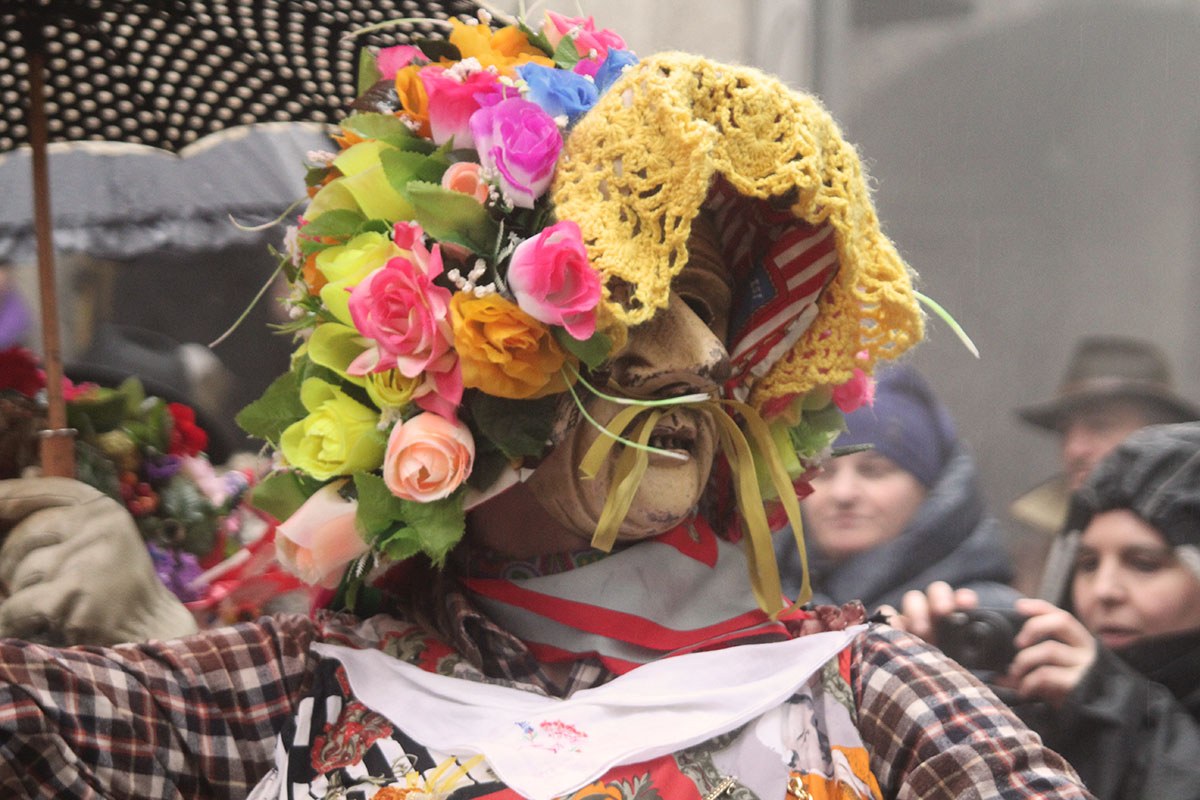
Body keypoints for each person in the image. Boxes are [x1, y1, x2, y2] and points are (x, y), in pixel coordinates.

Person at [0, 10, 1091, 800]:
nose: (705, 354)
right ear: (456, 375)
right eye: (634, 294)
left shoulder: (858, 690)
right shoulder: (301, 686)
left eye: (707, 303)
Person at [897, 423, 1200, 800]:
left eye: (1143, 563)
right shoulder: (1057, 696)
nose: (1104, 591)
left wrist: (1109, 707)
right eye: (1087, 564)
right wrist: (927, 692)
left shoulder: (1105, 705)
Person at [777, 364, 1020, 612]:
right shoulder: (761, 611)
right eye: (823, 472)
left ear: (933, 489)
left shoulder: (979, 623)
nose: (843, 493)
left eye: (873, 471)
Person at [1009, 336, 1199, 594]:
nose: (1074, 449)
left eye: (1101, 426)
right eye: (1065, 432)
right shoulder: (1036, 556)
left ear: (1161, 433)